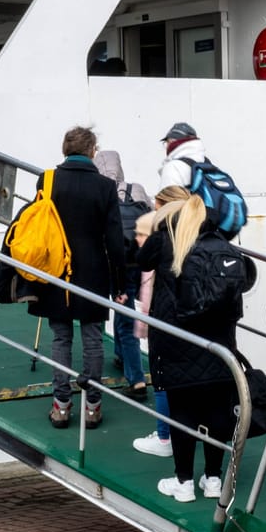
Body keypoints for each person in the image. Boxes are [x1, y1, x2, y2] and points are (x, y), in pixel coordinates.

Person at [133, 190, 255, 501]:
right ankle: (213, 479)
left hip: (177, 339)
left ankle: (184, 482)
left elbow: (140, 260)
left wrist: (160, 227)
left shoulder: (166, 239)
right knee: (217, 412)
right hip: (220, 342)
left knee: (182, 411)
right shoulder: (221, 245)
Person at [32, 128, 127, 430]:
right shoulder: (104, 186)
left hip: (55, 271)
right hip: (93, 273)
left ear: (65, 149)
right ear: (92, 151)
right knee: (93, 341)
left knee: (61, 338)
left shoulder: (47, 180)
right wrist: (120, 283)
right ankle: (93, 407)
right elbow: (114, 239)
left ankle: (61, 406)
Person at [129, 187, 187, 459]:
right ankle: (186, 433)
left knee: (162, 375)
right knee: (188, 377)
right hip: (192, 315)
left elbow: (141, 260)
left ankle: (164, 437)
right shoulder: (195, 231)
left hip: (166, 316)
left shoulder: (163, 236)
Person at [96, 150, 151, 400]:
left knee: (121, 317)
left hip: (109, 262)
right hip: (136, 263)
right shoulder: (136, 188)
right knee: (126, 311)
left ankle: (137, 380)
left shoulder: (99, 192)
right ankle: (120, 355)